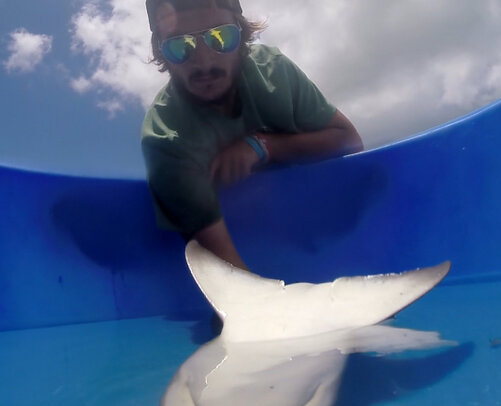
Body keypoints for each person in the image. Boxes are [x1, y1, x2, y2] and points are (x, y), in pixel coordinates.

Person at [142, 0, 363, 269]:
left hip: (326, 233)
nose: (204, 62)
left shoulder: (274, 72)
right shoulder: (164, 136)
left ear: (241, 30)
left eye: (220, 37)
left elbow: (349, 142)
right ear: (160, 51)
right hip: (247, 246)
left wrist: (264, 146)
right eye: (180, 46)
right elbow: (230, 272)